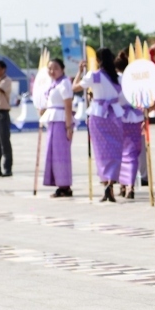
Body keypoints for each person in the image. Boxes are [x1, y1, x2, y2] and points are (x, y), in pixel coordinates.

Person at [74, 48, 124, 203]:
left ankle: (105, 185)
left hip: (98, 114)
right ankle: (111, 183)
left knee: (101, 152)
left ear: (98, 60)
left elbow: (74, 88)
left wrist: (79, 71)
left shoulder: (94, 75)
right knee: (115, 150)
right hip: (115, 114)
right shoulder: (117, 77)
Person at [39, 59, 73, 197]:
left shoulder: (64, 83)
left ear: (62, 69)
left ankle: (65, 186)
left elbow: (68, 105)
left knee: (61, 155)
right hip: (53, 120)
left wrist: (69, 126)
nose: (52, 71)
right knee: (52, 154)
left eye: (55, 68)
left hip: (61, 121)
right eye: (50, 68)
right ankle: (59, 183)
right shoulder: (53, 84)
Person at [115, 50, 144, 200]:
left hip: (119, 117)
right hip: (135, 117)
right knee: (132, 154)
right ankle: (130, 185)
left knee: (120, 153)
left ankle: (122, 184)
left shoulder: (115, 80)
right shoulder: (135, 79)